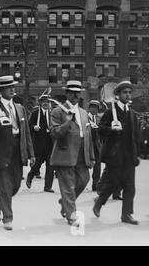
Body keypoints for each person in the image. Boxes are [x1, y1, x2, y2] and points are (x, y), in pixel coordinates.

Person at [0, 76, 35, 231]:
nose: (12, 89)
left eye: (13, 86)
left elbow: (26, 132)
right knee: (5, 187)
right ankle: (8, 218)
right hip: (1, 152)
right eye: (8, 87)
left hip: (17, 151)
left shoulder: (20, 108)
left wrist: (31, 153)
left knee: (15, 186)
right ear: (1, 90)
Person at [93, 81, 141, 225]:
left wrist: (136, 154)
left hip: (128, 156)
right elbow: (100, 129)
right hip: (114, 154)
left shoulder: (132, 114)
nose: (127, 95)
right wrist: (112, 130)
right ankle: (99, 203)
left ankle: (126, 215)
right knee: (114, 183)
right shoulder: (111, 111)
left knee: (130, 186)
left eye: (129, 92)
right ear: (118, 95)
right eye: (124, 92)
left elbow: (135, 137)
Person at [50, 80, 95, 227]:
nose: (75, 95)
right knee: (68, 186)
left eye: (78, 92)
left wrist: (91, 155)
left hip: (82, 153)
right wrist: (67, 123)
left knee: (84, 180)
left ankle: (65, 202)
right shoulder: (57, 111)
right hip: (65, 153)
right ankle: (71, 215)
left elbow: (88, 135)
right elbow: (55, 132)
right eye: (72, 92)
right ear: (67, 93)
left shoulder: (83, 112)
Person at [26, 93, 54, 192]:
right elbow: (29, 126)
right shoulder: (35, 113)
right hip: (39, 144)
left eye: (47, 102)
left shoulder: (52, 114)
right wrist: (34, 127)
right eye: (44, 102)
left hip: (50, 144)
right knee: (37, 164)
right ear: (41, 103)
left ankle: (48, 186)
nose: (46, 104)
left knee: (50, 166)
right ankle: (30, 176)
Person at [88, 100, 103, 191]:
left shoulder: (99, 119)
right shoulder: (85, 117)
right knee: (83, 165)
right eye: (92, 107)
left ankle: (95, 184)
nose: (94, 109)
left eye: (96, 108)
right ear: (89, 108)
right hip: (86, 144)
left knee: (97, 166)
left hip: (97, 145)